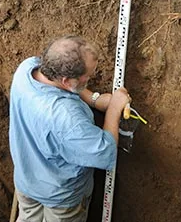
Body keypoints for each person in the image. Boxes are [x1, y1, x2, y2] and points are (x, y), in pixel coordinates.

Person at [9, 35, 130, 222]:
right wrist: (114, 108)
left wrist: (93, 99)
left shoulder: (26, 70)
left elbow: (66, 87)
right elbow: (105, 151)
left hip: (27, 183)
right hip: (61, 199)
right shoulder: (67, 118)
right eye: (88, 76)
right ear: (67, 81)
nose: (90, 78)